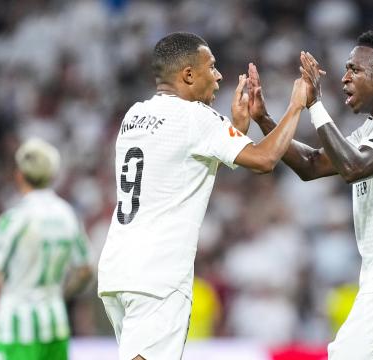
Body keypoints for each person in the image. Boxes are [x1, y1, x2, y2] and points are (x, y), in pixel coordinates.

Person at [97, 32, 307, 360]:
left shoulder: (133, 116)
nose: (219, 75)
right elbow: (264, 161)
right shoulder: (194, 118)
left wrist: (235, 129)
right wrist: (296, 106)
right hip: (158, 273)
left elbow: (184, 172)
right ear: (188, 75)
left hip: (117, 268)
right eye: (212, 67)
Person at [248, 30, 373, 359]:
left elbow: (353, 167)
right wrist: (263, 118)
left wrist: (315, 105)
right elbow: (312, 165)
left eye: (354, 70)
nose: (343, 79)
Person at [0, 138, 93, 360]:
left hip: (16, 328)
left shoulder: (15, 218)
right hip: (55, 322)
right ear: (52, 176)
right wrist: (61, 294)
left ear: (19, 175)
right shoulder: (67, 215)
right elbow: (85, 270)